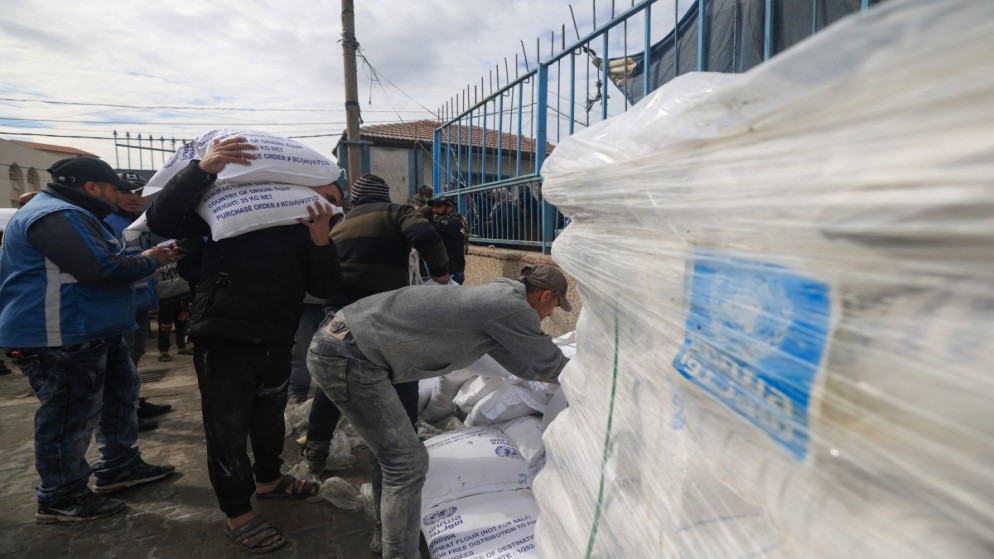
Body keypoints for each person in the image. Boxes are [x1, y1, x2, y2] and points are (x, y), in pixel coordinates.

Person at [146, 136, 343, 554]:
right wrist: (203, 169)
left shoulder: (306, 227)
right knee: (228, 427)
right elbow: (162, 221)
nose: (331, 202)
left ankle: (269, 479)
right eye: (327, 196)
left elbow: (325, 287)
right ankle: (238, 513)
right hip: (223, 333)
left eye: (334, 200)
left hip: (275, 335)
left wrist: (322, 239)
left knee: (269, 416)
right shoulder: (229, 205)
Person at [308, 263, 571, 557]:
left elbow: (524, 364)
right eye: (554, 308)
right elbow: (552, 363)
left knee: (392, 457)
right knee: (407, 462)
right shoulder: (511, 307)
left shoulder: (496, 301)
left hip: (343, 343)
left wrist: (548, 376)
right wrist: (592, 377)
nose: (549, 316)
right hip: (350, 355)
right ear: (545, 296)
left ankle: (385, 538)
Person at [0, 156, 177, 523]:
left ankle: (119, 466)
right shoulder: (57, 215)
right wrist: (151, 259)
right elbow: (102, 268)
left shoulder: (75, 213)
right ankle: (60, 496)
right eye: (115, 189)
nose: (118, 197)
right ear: (92, 187)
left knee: (118, 398)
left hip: (93, 330)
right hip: (61, 336)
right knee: (69, 417)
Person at [303, 173, 449, 480]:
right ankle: (405, 445)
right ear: (385, 197)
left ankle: (316, 451)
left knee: (335, 381)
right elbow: (424, 235)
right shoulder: (397, 212)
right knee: (404, 374)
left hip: (339, 316)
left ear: (354, 200)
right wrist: (441, 275)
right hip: (382, 315)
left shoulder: (339, 222)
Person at [103, 171, 172, 431]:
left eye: (138, 192)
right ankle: (124, 414)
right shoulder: (107, 223)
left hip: (140, 303)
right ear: (114, 193)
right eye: (126, 192)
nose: (134, 198)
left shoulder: (138, 223)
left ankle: (132, 403)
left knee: (135, 357)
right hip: (121, 305)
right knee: (123, 361)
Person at [287, 181, 347, 406]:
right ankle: (297, 390)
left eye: (332, 201)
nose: (324, 204)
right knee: (301, 349)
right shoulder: (294, 226)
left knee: (337, 351)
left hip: (338, 307)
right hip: (307, 304)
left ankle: (334, 397)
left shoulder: (344, 227)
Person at [428, 195, 469, 284]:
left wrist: (419, 215)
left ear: (449, 209)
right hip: (444, 272)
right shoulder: (443, 222)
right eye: (433, 207)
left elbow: (431, 227)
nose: (434, 210)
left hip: (452, 273)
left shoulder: (453, 222)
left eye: (438, 207)